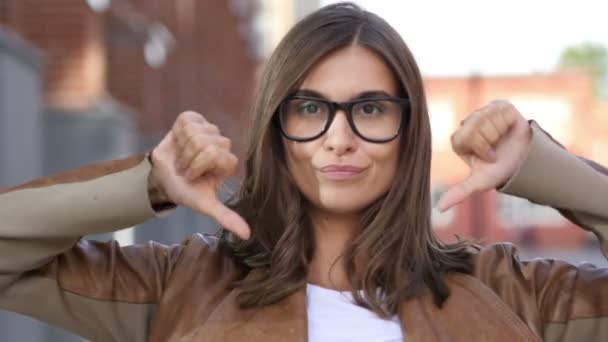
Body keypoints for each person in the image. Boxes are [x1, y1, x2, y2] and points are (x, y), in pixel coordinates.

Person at [1, 2, 607, 341]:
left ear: (409, 130)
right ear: (276, 126)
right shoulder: (182, 284)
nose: (337, 140)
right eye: (311, 109)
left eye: (369, 109)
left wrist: (540, 168)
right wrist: (151, 183)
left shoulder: (508, 293)